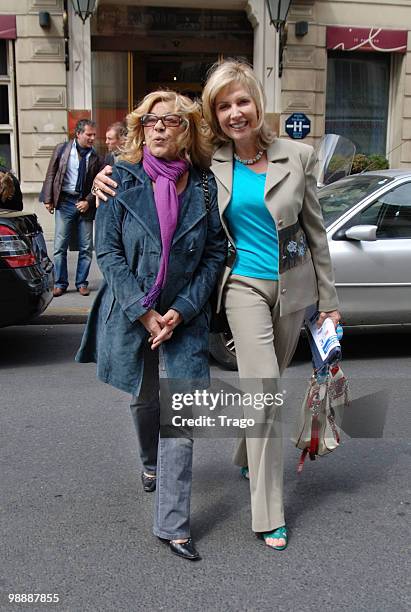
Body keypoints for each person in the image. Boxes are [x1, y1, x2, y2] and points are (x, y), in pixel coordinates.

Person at [90, 60, 341, 552]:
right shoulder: (211, 165)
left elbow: (316, 233)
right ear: (213, 115)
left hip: (293, 289)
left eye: (241, 101)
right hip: (241, 286)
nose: (235, 113)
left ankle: (247, 452)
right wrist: (105, 176)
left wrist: (329, 303)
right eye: (223, 106)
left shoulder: (299, 155)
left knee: (266, 384)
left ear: (257, 103)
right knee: (263, 391)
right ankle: (269, 513)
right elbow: (145, 169)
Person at [76, 91, 227, 561]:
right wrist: (143, 310)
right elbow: (109, 252)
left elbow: (215, 252)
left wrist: (182, 307)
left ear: (188, 132)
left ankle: (173, 525)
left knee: (180, 414)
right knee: (145, 399)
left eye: (173, 121)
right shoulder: (120, 179)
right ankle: (149, 463)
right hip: (135, 312)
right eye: (152, 121)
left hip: (185, 314)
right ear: (142, 130)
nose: (161, 128)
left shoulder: (203, 186)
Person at [41, 119, 103, 297]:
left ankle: (82, 283)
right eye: (88, 134)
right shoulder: (62, 150)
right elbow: (51, 173)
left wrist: (89, 201)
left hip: (84, 204)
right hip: (65, 202)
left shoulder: (96, 156)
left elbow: (97, 184)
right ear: (78, 134)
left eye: (93, 135)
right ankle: (60, 283)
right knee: (60, 246)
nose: (92, 138)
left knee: (86, 247)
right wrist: (48, 199)